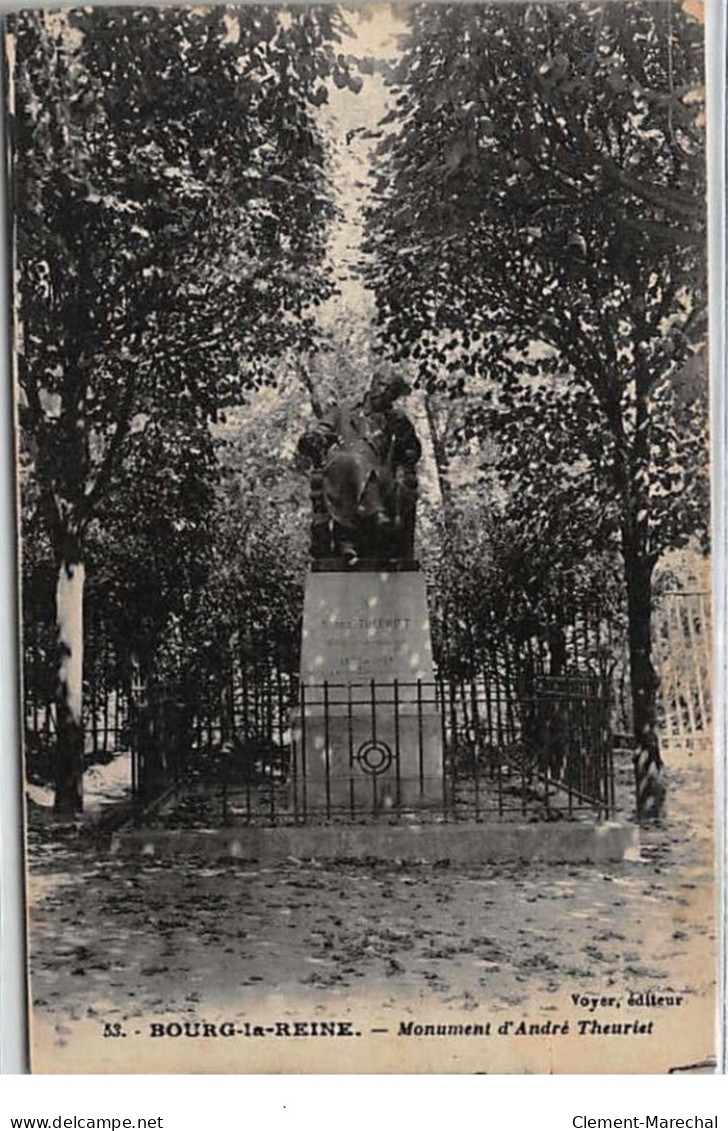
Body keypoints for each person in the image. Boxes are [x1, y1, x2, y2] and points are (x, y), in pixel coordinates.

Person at [297, 372, 421, 565]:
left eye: (391, 391)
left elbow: (412, 451)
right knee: (354, 460)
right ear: (372, 384)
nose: (384, 392)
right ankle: (376, 513)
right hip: (343, 469)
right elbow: (321, 431)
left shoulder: (397, 419)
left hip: (382, 474)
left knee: (368, 468)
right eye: (382, 385)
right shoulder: (343, 411)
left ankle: (349, 538)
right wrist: (315, 439)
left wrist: (404, 437)